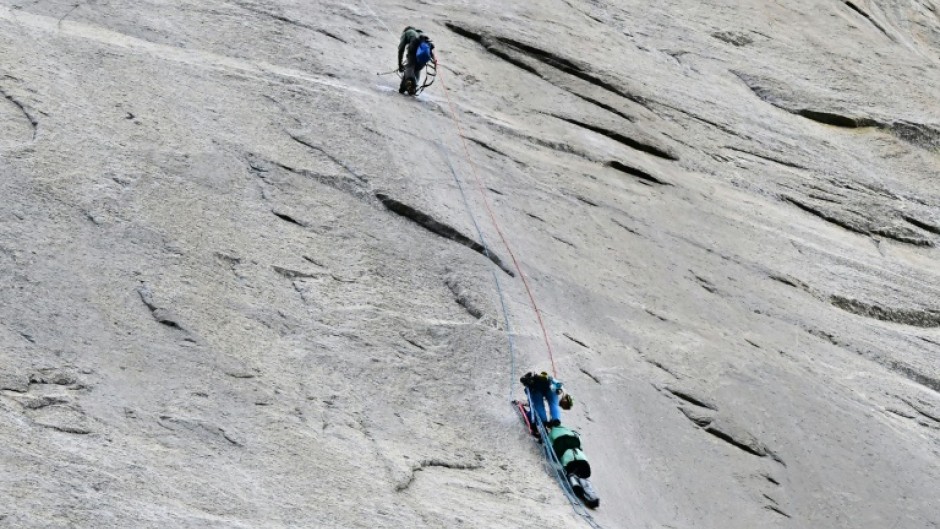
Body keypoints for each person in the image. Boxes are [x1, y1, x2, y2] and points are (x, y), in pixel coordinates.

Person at [397, 26, 437, 95]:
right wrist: (434, 59)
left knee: (409, 67)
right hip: (424, 54)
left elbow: (401, 49)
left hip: (414, 47)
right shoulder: (422, 35)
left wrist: (400, 64)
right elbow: (429, 49)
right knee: (415, 69)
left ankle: (410, 83)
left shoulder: (407, 32)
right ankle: (405, 87)